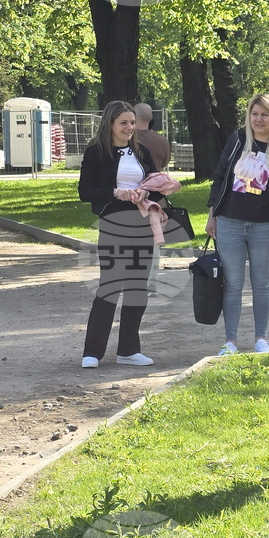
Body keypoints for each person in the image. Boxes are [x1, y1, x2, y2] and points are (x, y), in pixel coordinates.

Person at [205, 93, 269, 357]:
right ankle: (231, 342)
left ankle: (261, 339)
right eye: (254, 114)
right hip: (229, 223)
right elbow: (220, 176)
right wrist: (212, 214)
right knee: (233, 283)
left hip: (265, 226)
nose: (259, 119)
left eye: (264, 115)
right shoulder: (237, 140)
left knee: (261, 283)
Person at [78, 101, 163, 369]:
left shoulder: (142, 152)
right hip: (113, 225)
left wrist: (147, 193)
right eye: (123, 123)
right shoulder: (96, 153)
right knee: (109, 286)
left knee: (138, 288)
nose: (129, 127)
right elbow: (85, 191)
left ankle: (128, 350)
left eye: (132, 122)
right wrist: (116, 192)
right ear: (111, 125)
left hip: (141, 225)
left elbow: (157, 185)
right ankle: (92, 352)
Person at [133, 103, 171, 297]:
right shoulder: (161, 141)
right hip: (155, 198)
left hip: (131, 197)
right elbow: (163, 164)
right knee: (154, 241)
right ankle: (151, 282)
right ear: (151, 119)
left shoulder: (127, 139)